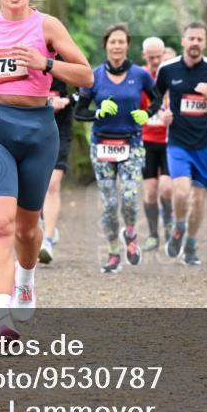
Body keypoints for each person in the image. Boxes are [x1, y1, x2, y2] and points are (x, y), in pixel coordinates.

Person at [0, 0, 92, 342]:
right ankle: (1, 319)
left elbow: (86, 74)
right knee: (0, 223)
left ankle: (26, 276)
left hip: (39, 130)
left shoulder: (48, 26)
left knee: (26, 228)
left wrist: (44, 64)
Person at [75, 23, 161, 273]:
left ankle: (131, 234)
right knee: (110, 202)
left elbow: (157, 98)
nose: (117, 46)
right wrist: (98, 112)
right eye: (112, 41)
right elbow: (80, 112)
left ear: (127, 45)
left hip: (132, 144)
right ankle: (113, 252)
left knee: (129, 197)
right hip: (102, 143)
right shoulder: (94, 76)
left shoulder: (140, 75)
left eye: (121, 41)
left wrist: (147, 114)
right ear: (106, 45)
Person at [153, 21, 207, 266]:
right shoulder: (167, 69)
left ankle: (192, 244)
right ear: (183, 41)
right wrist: (162, 114)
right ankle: (179, 226)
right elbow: (155, 100)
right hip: (178, 142)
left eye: (199, 39)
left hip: (205, 142)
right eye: (191, 38)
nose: (195, 43)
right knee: (182, 192)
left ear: (204, 43)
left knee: (199, 198)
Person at [139, 36, 174, 251]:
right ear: (144, 56)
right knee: (150, 192)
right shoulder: (140, 77)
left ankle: (169, 223)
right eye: (151, 57)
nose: (154, 60)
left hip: (170, 140)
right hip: (146, 141)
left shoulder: (172, 76)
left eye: (158, 57)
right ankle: (153, 234)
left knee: (167, 188)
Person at [38, 57, 75, 265]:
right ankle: (43, 221)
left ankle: (47, 241)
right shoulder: (24, 51)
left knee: (52, 184)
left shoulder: (65, 56)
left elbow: (86, 87)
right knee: (32, 186)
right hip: (30, 127)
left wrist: (68, 100)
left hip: (59, 129)